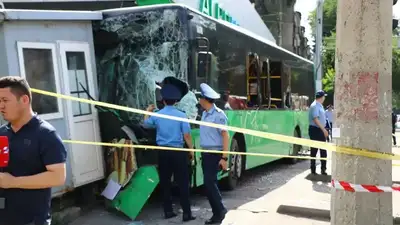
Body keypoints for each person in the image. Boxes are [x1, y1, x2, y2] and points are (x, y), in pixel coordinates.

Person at [0, 76, 67, 225]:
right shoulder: (2, 133)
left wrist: (13, 182)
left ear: (24, 100)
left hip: (32, 220)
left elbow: (58, 176)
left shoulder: (45, 134)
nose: (1, 106)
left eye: (5, 101)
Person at [143, 84, 196, 222]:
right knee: (183, 183)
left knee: (165, 182)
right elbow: (187, 136)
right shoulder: (181, 115)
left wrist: (147, 111)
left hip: (163, 153)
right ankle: (186, 213)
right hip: (178, 152)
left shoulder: (157, 115)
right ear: (176, 101)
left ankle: (168, 211)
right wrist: (191, 151)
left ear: (163, 100)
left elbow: (145, 124)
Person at [198, 83, 229, 224]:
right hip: (206, 154)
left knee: (209, 183)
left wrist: (224, 157)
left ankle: (220, 211)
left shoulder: (219, 115)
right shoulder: (204, 114)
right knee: (209, 184)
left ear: (206, 99)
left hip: (215, 154)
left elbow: (225, 136)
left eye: (200, 98)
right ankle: (217, 212)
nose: (199, 100)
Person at [308, 90, 328, 175]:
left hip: (320, 129)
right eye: (324, 97)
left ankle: (323, 169)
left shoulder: (319, 105)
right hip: (316, 130)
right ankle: (313, 169)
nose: (324, 98)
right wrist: (323, 130)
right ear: (321, 97)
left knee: (323, 150)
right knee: (314, 150)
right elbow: (315, 119)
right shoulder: (315, 106)